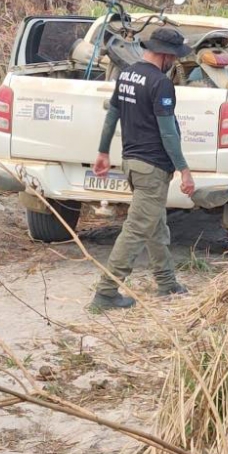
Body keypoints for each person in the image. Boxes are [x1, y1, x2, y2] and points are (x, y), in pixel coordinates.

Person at [89, 26, 196, 311]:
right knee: (137, 229)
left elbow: (113, 114)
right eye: (174, 57)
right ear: (165, 55)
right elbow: (168, 133)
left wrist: (102, 151)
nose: (175, 62)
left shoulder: (126, 74)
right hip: (151, 166)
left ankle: (167, 282)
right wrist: (184, 169)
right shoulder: (160, 83)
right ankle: (106, 292)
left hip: (132, 163)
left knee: (155, 224)